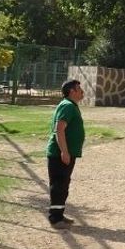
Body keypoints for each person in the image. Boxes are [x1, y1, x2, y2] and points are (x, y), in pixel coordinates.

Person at [45, 79, 85, 229]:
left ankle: (59, 214)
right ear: (71, 91)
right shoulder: (67, 106)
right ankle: (55, 219)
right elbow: (59, 129)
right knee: (58, 185)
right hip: (59, 154)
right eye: (79, 89)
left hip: (66, 153)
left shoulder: (70, 106)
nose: (82, 91)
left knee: (63, 184)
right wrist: (64, 151)